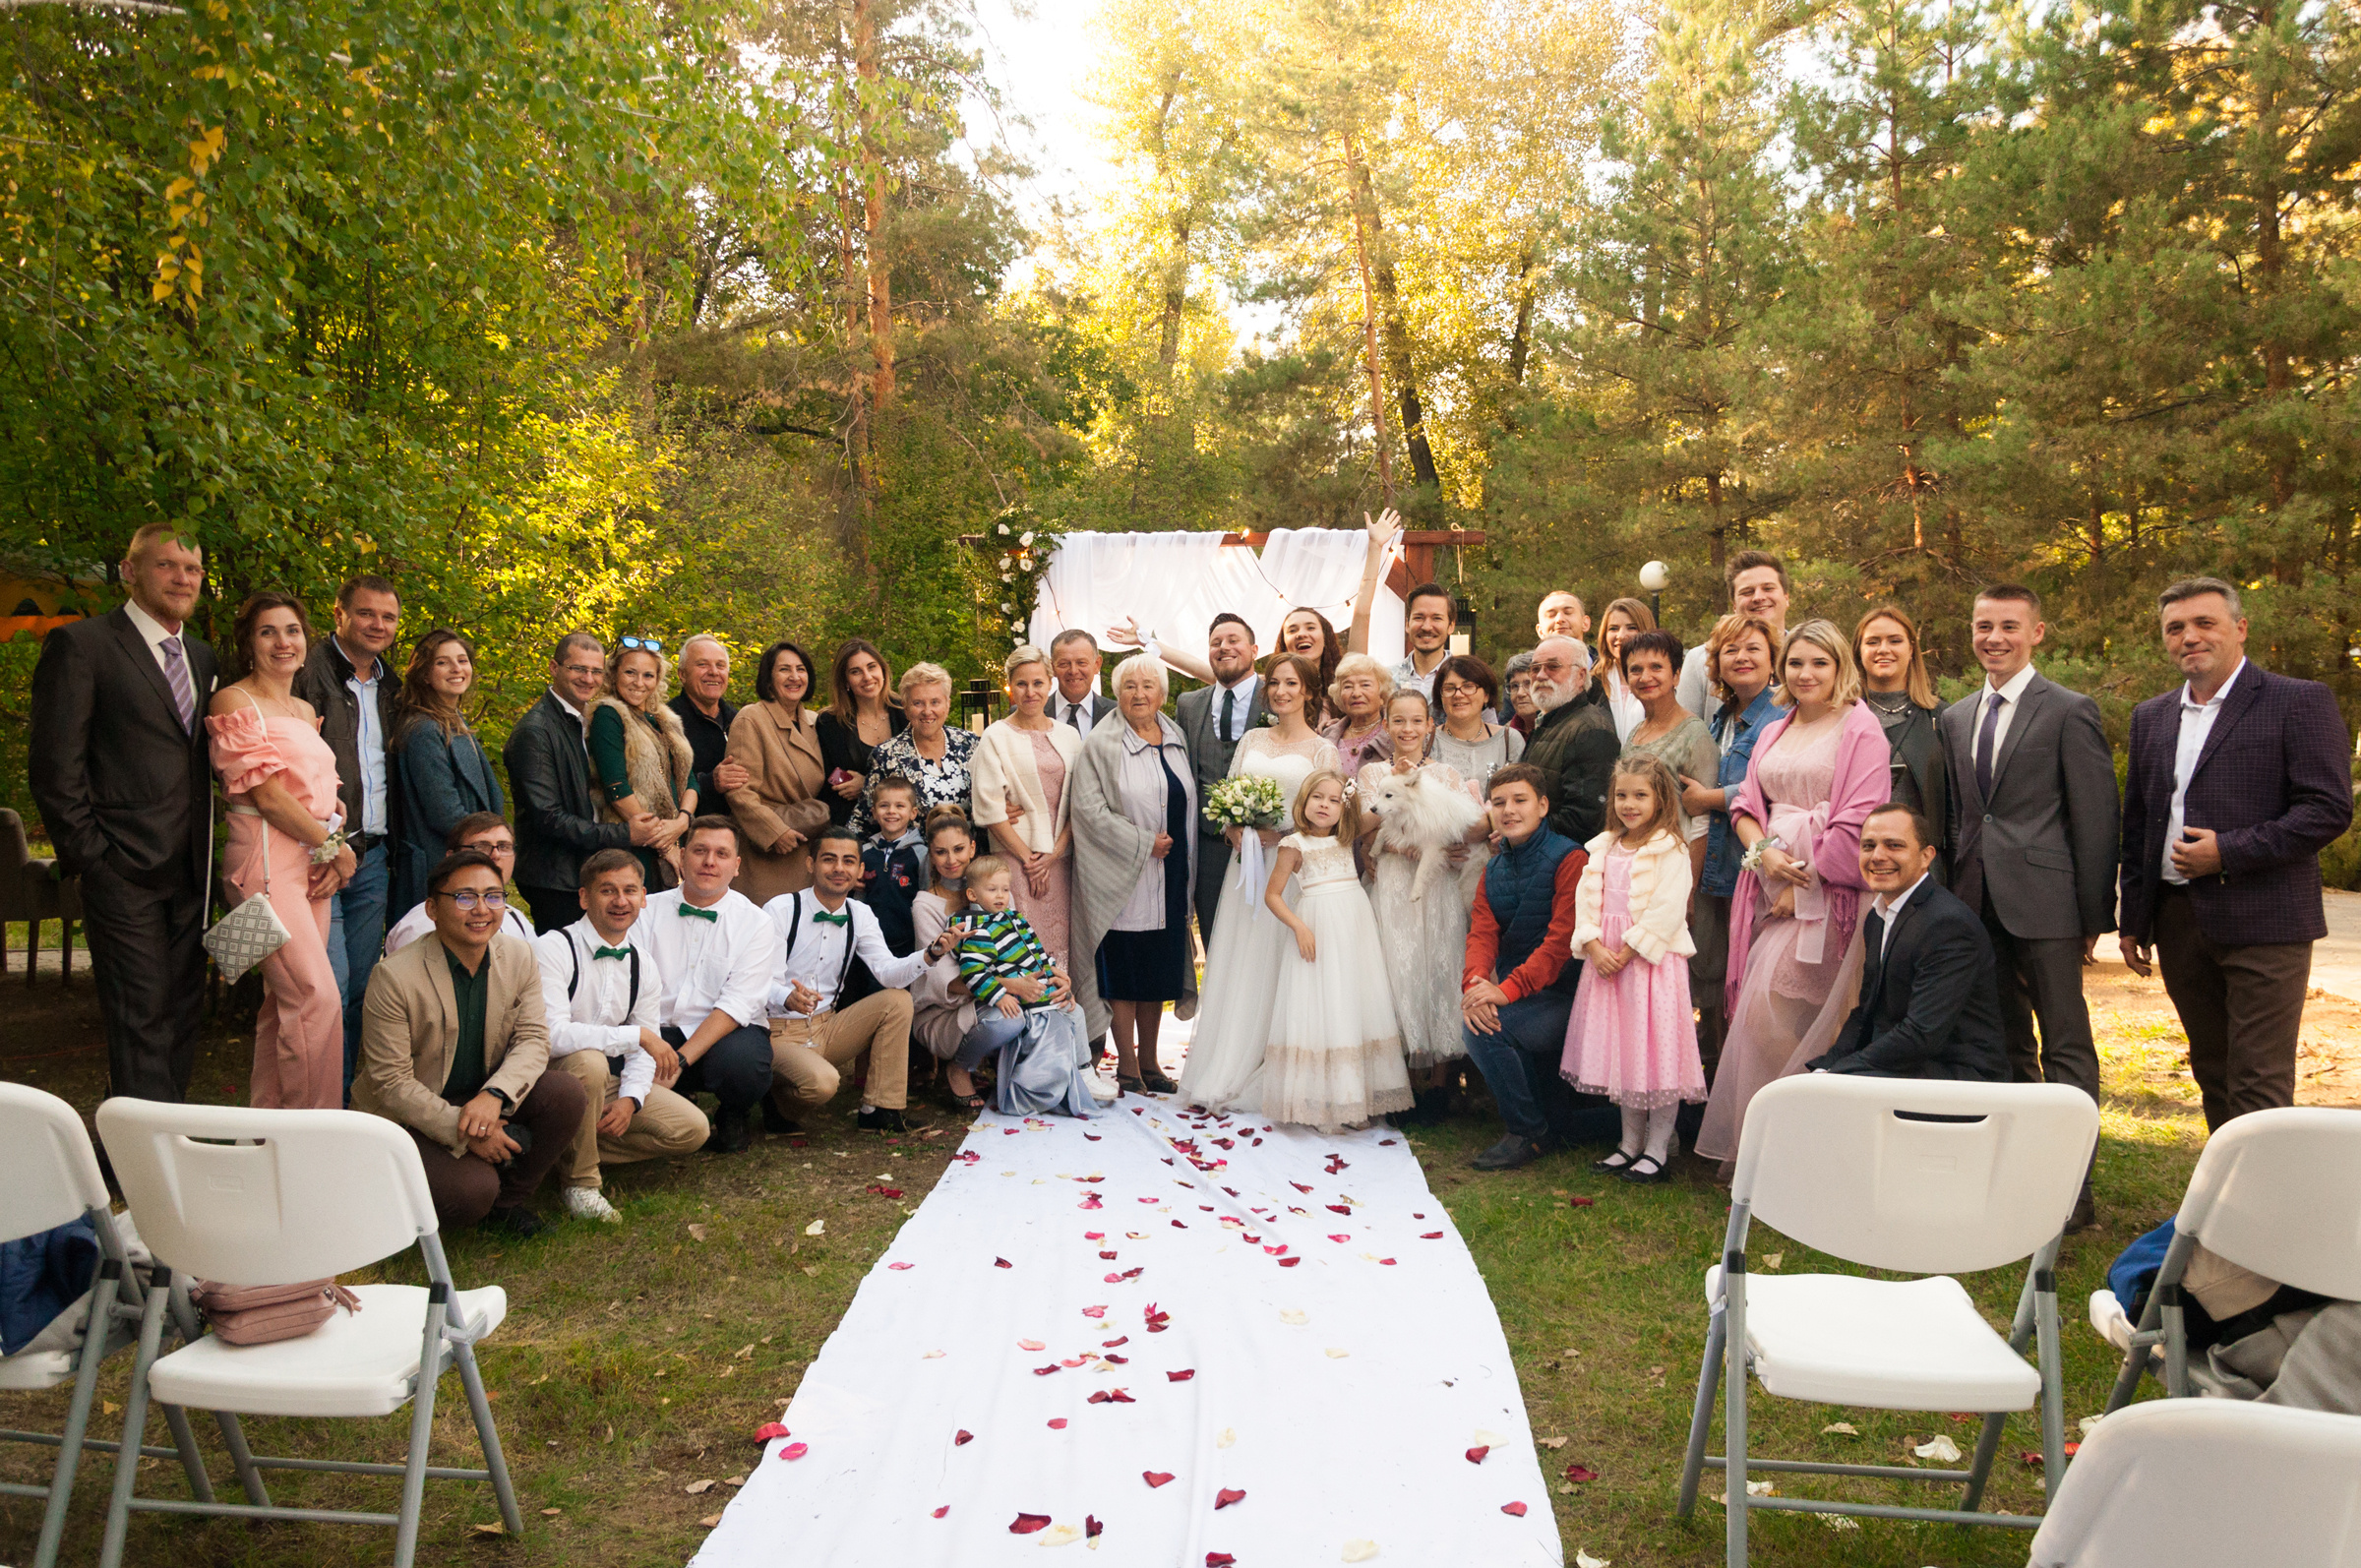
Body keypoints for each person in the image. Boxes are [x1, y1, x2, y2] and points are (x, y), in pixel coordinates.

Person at [2119, 577, 2354, 1129]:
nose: (2189, 637)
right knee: (2213, 1071)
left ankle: (2268, 1214)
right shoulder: (2151, 716)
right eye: (2175, 628)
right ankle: (2228, 1207)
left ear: (2240, 629)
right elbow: (2139, 825)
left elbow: (2326, 809)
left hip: (2266, 921)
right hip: (2178, 922)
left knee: (2259, 1082)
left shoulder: (2298, 700)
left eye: (2205, 623)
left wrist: (2228, 852)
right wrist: (2133, 919)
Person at [1939, 583, 2117, 1225]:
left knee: (2067, 1045)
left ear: (2036, 633)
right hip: (1976, 904)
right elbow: (1961, 816)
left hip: (2048, 905)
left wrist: (2094, 917)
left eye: (2009, 626)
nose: (1994, 637)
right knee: (2006, 1043)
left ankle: (2073, 1189)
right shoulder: (1955, 717)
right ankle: (2020, 1177)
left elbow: (2095, 817)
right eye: (1984, 625)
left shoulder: (2068, 710)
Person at [29, 523, 217, 1102]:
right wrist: (94, 861)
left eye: (192, 570)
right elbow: (55, 770)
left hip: (193, 872)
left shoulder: (203, 656)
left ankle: (167, 1138)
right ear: (129, 571)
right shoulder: (82, 646)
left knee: (183, 1013)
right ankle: (143, 1166)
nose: (183, 579)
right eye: (167, 566)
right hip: (122, 872)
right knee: (139, 1018)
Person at [1695, 621, 1890, 1166]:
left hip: (1827, 895)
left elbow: (1860, 820)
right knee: (1762, 1024)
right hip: (1764, 883)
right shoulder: (1777, 727)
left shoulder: (1861, 728)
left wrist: (1802, 884)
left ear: (1839, 667)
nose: (1806, 674)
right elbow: (1744, 804)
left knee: (1787, 1018)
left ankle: (1806, 1153)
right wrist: (1762, 856)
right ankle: (1769, 1151)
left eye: (1819, 664)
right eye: (1797, 663)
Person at [355, 849, 586, 1236]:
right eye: (465, 897)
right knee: (470, 1193)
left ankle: (507, 1204)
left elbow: (532, 1039)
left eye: (493, 896)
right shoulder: (393, 977)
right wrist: (467, 1132)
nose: (481, 909)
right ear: (432, 908)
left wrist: (495, 1095)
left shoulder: (518, 956)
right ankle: (391, 1191)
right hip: (410, 1116)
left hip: (481, 1095)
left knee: (565, 1093)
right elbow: (391, 1083)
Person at [206, 592, 354, 1110]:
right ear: (249, 642)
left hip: (312, 861)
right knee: (317, 997)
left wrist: (332, 844)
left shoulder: (305, 709)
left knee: (284, 1001)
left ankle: (267, 1124)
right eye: (268, 631)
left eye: (291, 630)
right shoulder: (234, 702)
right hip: (264, 863)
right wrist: (334, 847)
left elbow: (322, 789)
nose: (282, 642)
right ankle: (315, 1134)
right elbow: (267, 795)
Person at [1176, 654, 1339, 1112]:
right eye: (1276, 685)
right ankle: (1229, 1064)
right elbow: (1226, 794)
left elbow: (1327, 816)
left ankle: (1276, 1069)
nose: (1282, 692)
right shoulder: (1251, 739)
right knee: (1239, 960)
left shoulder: (1321, 750)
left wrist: (1282, 835)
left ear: (1308, 691)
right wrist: (1233, 829)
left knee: (1277, 963)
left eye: (1292, 684)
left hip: (1289, 872)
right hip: (1243, 869)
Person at [534, 849, 710, 1223]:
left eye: (630, 891)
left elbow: (643, 1055)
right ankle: (581, 1182)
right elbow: (550, 1036)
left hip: (598, 1085)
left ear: (644, 898)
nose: (620, 901)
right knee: (589, 1061)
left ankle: (551, 1150)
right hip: (541, 1082)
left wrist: (630, 1099)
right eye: (607, 890)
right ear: (583, 897)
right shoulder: (553, 948)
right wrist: (638, 1036)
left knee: (691, 1129)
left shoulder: (642, 962)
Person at [1561, 754, 1706, 1180]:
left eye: (1640, 795)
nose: (1630, 804)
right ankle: (1629, 1143)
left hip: (1649, 966)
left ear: (1660, 799)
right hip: (1606, 963)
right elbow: (1585, 898)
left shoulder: (1670, 849)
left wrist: (1628, 951)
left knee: (1655, 1054)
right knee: (1624, 1054)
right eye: (1622, 794)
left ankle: (1658, 1148)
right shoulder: (1604, 846)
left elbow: (1667, 907)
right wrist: (1591, 942)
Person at [1068, 653, 1198, 1095]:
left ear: (1162, 694)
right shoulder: (1102, 745)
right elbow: (1087, 810)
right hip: (1123, 875)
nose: (1138, 694)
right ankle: (1125, 1065)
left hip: (1173, 873)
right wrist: (1143, 842)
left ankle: (1150, 1061)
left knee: (1159, 969)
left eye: (1147, 686)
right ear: (1116, 694)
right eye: (1128, 686)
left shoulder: (1176, 735)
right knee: (1126, 971)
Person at [1805, 805, 2009, 1081]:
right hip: (1902, 1065)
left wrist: (1841, 1073)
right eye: (1868, 846)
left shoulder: (1947, 925)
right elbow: (1866, 1012)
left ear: (1926, 856)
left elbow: (1922, 1034)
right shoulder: (1877, 918)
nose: (1877, 856)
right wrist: (1826, 1067)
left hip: (1955, 1078)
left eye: (1894, 845)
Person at [293, 573, 400, 1091]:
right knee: (326, 987)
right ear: (339, 613)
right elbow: (286, 775)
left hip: (373, 856)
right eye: (366, 613)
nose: (378, 624)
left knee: (360, 988)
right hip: (317, 855)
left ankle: (345, 1100)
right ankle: (319, 1109)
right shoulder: (306, 673)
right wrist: (331, 847)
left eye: (388, 617)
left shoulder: (392, 685)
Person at [1260, 770, 1414, 1131]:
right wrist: (1299, 927)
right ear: (1303, 801)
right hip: (1318, 927)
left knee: (1355, 1002)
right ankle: (1324, 1100)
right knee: (1325, 1004)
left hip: (1354, 927)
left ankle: (1356, 1099)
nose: (1325, 805)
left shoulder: (1347, 836)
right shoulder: (1293, 845)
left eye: (1333, 800)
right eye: (1318, 797)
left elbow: (1380, 809)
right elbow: (1272, 895)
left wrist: (1402, 778)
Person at [1460, 763, 1591, 1172]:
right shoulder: (1493, 869)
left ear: (1543, 805)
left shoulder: (1571, 858)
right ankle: (1543, 1127)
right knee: (1478, 1016)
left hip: (1570, 997)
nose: (1509, 810)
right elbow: (1481, 934)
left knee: (1486, 1029)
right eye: (1499, 803)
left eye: (1520, 800)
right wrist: (1477, 985)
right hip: (1526, 996)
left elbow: (1560, 944)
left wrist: (1505, 991)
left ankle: (1527, 1132)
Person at [763, 824, 932, 1134]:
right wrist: (785, 996)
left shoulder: (860, 914)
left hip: (827, 1027)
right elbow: (757, 979)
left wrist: (929, 956)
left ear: (860, 870)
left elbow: (887, 972)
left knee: (897, 1000)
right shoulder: (781, 909)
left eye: (848, 861)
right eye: (829, 859)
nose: (839, 868)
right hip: (778, 1031)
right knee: (824, 1084)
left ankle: (880, 1110)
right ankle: (778, 1104)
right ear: (811, 864)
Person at [634, 817, 779, 1153]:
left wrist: (679, 1061)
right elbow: (634, 988)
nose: (710, 861)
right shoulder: (645, 912)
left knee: (745, 1065)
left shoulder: (756, 923)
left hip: (721, 1033)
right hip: (656, 1028)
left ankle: (733, 1112)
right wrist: (653, 1047)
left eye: (721, 854)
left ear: (737, 865)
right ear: (682, 857)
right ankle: (670, 1105)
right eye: (700, 851)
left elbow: (738, 1004)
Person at [1677, 615, 1781, 1086]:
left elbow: (1772, 785)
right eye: (1730, 650)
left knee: (1751, 987)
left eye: (1753, 649)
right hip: (1719, 865)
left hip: (1758, 867)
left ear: (1772, 658)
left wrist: (1708, 799)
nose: (1742, 658)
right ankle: (1719, 1092)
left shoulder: (1780, 716)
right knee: (1719, 985)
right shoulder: (1721, 717)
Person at [1361, 689, 1483, 1085]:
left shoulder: (1444, 775)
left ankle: (1440, 1081)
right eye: (1398, 720)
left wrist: (1448, 841)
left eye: (1417, 720)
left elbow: (1465, 826)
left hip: (1436, 887)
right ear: (1386, 725)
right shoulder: (1371, 774)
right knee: (1396, 968)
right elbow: (1362, 826)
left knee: (1438, 967)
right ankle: (1401, 1078)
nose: (1408, 728)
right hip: (1393, 883)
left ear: (1430, 726)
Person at [508, 633, 653, 933]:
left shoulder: (582, 720)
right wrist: (624, 833)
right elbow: (548, 818)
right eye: (578, 669)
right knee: (567, 965)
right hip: (555, 879)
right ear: (554, 667)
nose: (588, 678)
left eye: (596, 671)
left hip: (584, 870)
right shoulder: (536, 731)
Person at [948, 855, 1094, 1116]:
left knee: (1075, 1012)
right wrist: (999, 996)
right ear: (972, 894)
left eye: (1005, 889)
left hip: (1037, 985)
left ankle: (1083, 1070)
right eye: (992, 889)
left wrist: (1055, 973)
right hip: (1017, 994)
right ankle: (1076, 1074)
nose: (1000, 895)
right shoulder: (977, 930)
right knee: (1064, 1016)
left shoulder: (1015, 919)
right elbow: (973, 972)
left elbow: (1037, 952)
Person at [971, 643, 1081, 985]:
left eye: (1037, 683)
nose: (1030, 691)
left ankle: (1062, 1024)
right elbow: (988, 806)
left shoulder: (1070, 735)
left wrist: (1054, 854)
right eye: (1021, 683)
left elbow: (1080, 802)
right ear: (1010, 688)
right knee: (1019, 948)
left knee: (1062, 948)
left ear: (1050, 684)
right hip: (1015, 863)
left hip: (1060, 862)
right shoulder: (995, 736)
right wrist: (1030, 860)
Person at [389, 629, 506, 913]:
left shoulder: (455, 721)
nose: (456, 669)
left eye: (462, 660)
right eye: (443, 662)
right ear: (425, 674)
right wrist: (490, 845)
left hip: (468, 861)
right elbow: (445, 812)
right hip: (439, 866)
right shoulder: (424, 729)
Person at [1175, 613, 1265, 946]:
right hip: (1207, 847)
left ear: (1254, 649)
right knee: (1217, 941)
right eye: (1216, 643)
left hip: (1266, 844)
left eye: (1233, 641)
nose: (1224, 648)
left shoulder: (1278, 694)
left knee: (1263, 943)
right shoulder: (1188, 704)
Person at [723, 638, 830, 903]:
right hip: (767, 852)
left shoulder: (816, 722)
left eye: (801, 669)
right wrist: (774, 831)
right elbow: (739, 791)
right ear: (769, 678)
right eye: (784, 669)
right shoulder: (751, 718)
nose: (794, 676)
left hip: (807, 846)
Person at [589, 638, 697, 889]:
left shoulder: (664, 718)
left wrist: (682, 822)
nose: (639, 683)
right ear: (614, 674)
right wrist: (664, 844)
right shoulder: (608, 715)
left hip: (676, 835)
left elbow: (689, 778)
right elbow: (616, 789)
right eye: (630, 672)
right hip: (635, 846)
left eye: (648, 675)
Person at [1854, 605, 1950, 875]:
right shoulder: (1841, 718)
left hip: (1922, 872)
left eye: (1894, 641)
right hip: (1857, 870)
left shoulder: (1942, 718)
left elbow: (1954, 813)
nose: (1883, 649)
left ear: (1911, 650)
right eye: (1872, 642)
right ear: (1859, 653)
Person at [1619, 629, 1718, 888]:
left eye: (1656, 667)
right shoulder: (1634, 734)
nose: (1645, 677)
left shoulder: (1693, 733)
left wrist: (1690, 884)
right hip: (1639, 869)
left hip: (1678, 872)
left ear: (1675, 675)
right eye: (1636, 669)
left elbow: (1704, 820)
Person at [909, 811, 985, 1100]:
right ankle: (959, 1070)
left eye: (959, 849)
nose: (951, 860)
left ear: (973, 848)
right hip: (945, 1011)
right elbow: (945, 981)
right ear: (931, 854)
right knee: (1006, 1016)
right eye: (941, 852)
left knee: (1065, 1007)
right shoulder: (925, 905)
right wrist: (1006, 986)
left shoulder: (992, 891)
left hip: (991, 994)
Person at [850, 663, 976, 836]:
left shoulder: (970, 744)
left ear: (947, 705)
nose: (927, 711)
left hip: (971, 854)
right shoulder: (887, 756)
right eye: (918, 703)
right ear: (906, 708)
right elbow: (862, 821)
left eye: (935, 702)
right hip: (913, 859)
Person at [386, 814, 536, 953]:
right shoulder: (424, 926)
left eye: (504, 846)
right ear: (452, 857)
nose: (495, 855)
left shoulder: (517, 920)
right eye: (481, 846)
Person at [1520, 636, 1619, 844]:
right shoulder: (1549, 723)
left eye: (1553, 667)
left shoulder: (1591, 730)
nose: (1540, 675)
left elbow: (1586, 820)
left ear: (1581, 675)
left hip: (1569, 864)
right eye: (1534, 668)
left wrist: (1519, 830)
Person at [1679, 550, 1791, 718]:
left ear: (1786, 598)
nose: (1758, 597)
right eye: (1747, 592)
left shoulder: (1805, 656)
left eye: (1768, 588)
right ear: (1734, 605)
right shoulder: (1699, 660)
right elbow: (1685, 734)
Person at [815, 638, 907, 827]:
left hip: (904, 824)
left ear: (882, 670)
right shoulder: (829, 723)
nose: (867, 677)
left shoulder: (906, 713)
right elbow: (825, 783)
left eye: (871, 667)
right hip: (850, 825)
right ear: (846, 681)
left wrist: (868, 785)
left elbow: (919, 772)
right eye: (855, 672)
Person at [669, 633, 753, 804]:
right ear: (682, 674)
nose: (714, 672)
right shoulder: (666, 721)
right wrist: (709, 783)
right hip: (693, 826)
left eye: (720, 666)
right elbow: (660, 788)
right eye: (702, 664)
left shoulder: (740, 720)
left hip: (745, 820)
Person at [856, 777, 929, 956]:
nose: (891, 812)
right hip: (869, 941)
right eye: (884, 806)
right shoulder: (864, 852)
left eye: (899, 806)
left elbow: (927, 893)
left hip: (908, 940)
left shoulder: (921, 854)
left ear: (913, 813)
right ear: (873, 812)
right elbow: (858, 897)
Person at [1431, 654, 1523, 789]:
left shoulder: (1509, 740)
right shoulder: (1428, 742)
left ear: (1486, 695)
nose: (1458, 694)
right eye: (1449, 688)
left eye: (1468, 686)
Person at [1323, 653, 1396, 777]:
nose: (1356, 693)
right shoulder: (1327, 735)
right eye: (1348, 686)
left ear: (1382, 695)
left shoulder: (1395, 733)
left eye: (1365, 685)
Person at [1596, 598, 1657, 741]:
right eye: (1613, 629)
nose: (1621, 636)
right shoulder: (1593, 683)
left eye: (1631, 628)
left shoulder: (1661, 682)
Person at [1391, 582, 1457, 707]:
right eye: (1419, 617)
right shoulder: (1386, 680)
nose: (1427, 627)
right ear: (1407, 624)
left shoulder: (1467, 679)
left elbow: (1487, 725)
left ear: (1451, 626)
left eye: (1437, 618)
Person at [1049, 629, 1114, 735]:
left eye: (1081, 663)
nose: (1073, 671)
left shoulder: (1116, 714)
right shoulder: (1033, 713)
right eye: (1064, 664)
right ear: (1052, 667)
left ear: (1097, 664)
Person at [1502, 650, 1540, 737]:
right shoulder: (1505, 736)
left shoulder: (1562, 731)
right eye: (1514, 686)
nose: (1520, 693)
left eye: (1528, 684)